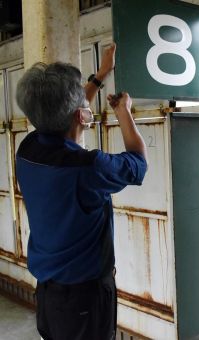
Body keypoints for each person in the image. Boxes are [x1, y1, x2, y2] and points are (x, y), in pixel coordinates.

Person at [15, 43, 147, 340]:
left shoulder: (28, 149)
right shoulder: (88, 168)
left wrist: (100, 76)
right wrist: (123, 111)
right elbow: (138, 164)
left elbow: (62, 115)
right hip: (85, 298)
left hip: (48, 292)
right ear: (80, 116)